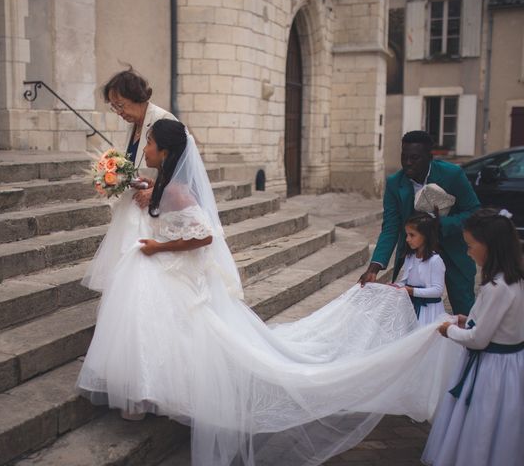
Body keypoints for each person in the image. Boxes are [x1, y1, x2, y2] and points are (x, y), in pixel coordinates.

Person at [77, 119, 461, 466]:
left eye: (149, 145)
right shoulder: (166, 183)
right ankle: (148, 389)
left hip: (174, 265)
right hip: (169, 263)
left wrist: (157, 248)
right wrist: (140, 186)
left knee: (153, 299)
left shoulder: (178, 190)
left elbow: (205, 235)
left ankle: (154, 390)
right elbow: (165, 208)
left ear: (165, 151)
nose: (144, 151)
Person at [422, 208, 524, 466]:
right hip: (512, 365)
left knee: (484, 420)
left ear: (488, 247)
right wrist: (466, 319)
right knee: (505, 422)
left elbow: (479, 339)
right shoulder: (514, 280)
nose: (467, 252)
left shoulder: (496, 287)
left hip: (493, 368)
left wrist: (450, 330)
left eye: (470, 246)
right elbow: (500, 322)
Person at [359, 130, 480, 315]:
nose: (408, 163)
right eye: (404, 157)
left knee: (464, 309)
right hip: (415, 255)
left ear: (429, 157)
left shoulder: (453, 175)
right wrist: (374, 267)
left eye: (414, 158)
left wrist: (440, 224)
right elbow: (390, 227)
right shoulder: (394, 183)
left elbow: (473, 212)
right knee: (412, 311)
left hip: (454, 250)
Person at [102, 67, 176, 207]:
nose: (118, 112)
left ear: (136, 97)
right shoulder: (133, 125)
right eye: (114, 107)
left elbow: (182, 171)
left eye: (120, 105)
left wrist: (157, 192)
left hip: (158, 207)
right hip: (136, 204)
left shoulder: (164, 120)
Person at [393, 212, 446, 325]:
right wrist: (396, 287)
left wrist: (412, 291)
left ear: (425, 236)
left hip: (429, 311)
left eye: (412, 235)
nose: (407, 239)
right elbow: (405, 281)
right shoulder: (409, 257)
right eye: (407, 235)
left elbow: (438, 290)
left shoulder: (435, 261)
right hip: (411, 308)